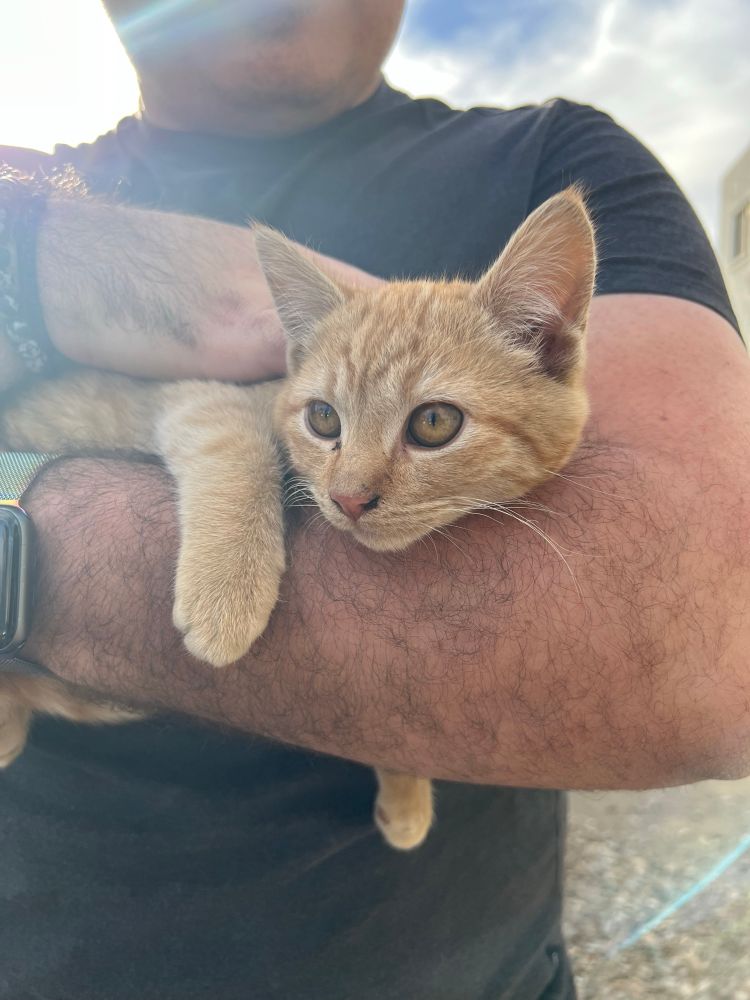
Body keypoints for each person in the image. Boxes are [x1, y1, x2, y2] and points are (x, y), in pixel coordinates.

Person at [1, 2, 748, 997]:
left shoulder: (546, 152)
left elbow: (702, 649)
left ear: (550, 343)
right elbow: (228, 420)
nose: (352, 489)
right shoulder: (36, 185)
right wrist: (40, 256)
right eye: (327, 429)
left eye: (430, 427)